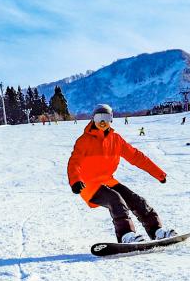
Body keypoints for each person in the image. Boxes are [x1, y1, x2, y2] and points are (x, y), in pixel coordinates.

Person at [67, 103, 175, 244]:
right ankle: (126, 235)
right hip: (87, 185)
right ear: (93, 119)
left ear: (111, 119)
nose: (102, 122)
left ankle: (157, 231)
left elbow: (137, 157)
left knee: (136, 200)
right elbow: (74, 162)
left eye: (106, 117)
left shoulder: (116, 140)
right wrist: (75, 180)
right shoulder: (84, 141)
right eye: (99, 118)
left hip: (108, 181)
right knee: (115, 199)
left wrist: (158, 173)